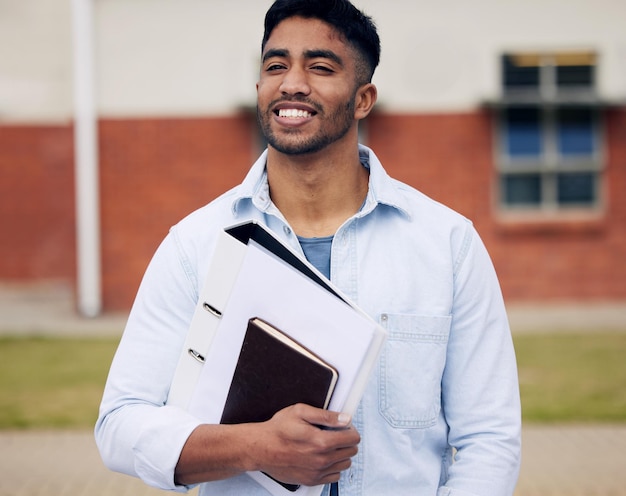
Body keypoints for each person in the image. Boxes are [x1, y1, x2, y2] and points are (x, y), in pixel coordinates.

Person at [95, 0, 522, 494]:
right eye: (276, 65)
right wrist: (254, 447)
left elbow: (489, 437)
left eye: (320, 67)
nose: (292, 82)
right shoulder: (196, 245)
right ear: (259, 88)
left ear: (364, 99)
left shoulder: (447, 244)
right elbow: (120, 425)